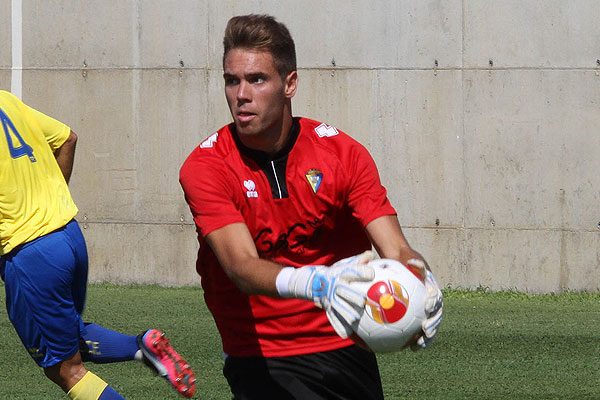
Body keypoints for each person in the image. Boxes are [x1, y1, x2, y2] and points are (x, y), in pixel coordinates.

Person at [179, 14, 443, 400]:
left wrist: (423, 285)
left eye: (257, 79)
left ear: (290, 84)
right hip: (261, 356)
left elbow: (397, 249)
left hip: (346, 344)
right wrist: (319, 282)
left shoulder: (343, 154)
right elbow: (241, 267)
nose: (241, 94)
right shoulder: (206, 167)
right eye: (231, 80)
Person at [0, 90, 196, 399]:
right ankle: (143, 348)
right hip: (68, 236)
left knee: (65, 369)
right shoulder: (5, 100)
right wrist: (50, 202)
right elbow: (68, 139)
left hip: (31, 254)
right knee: (71, 337)